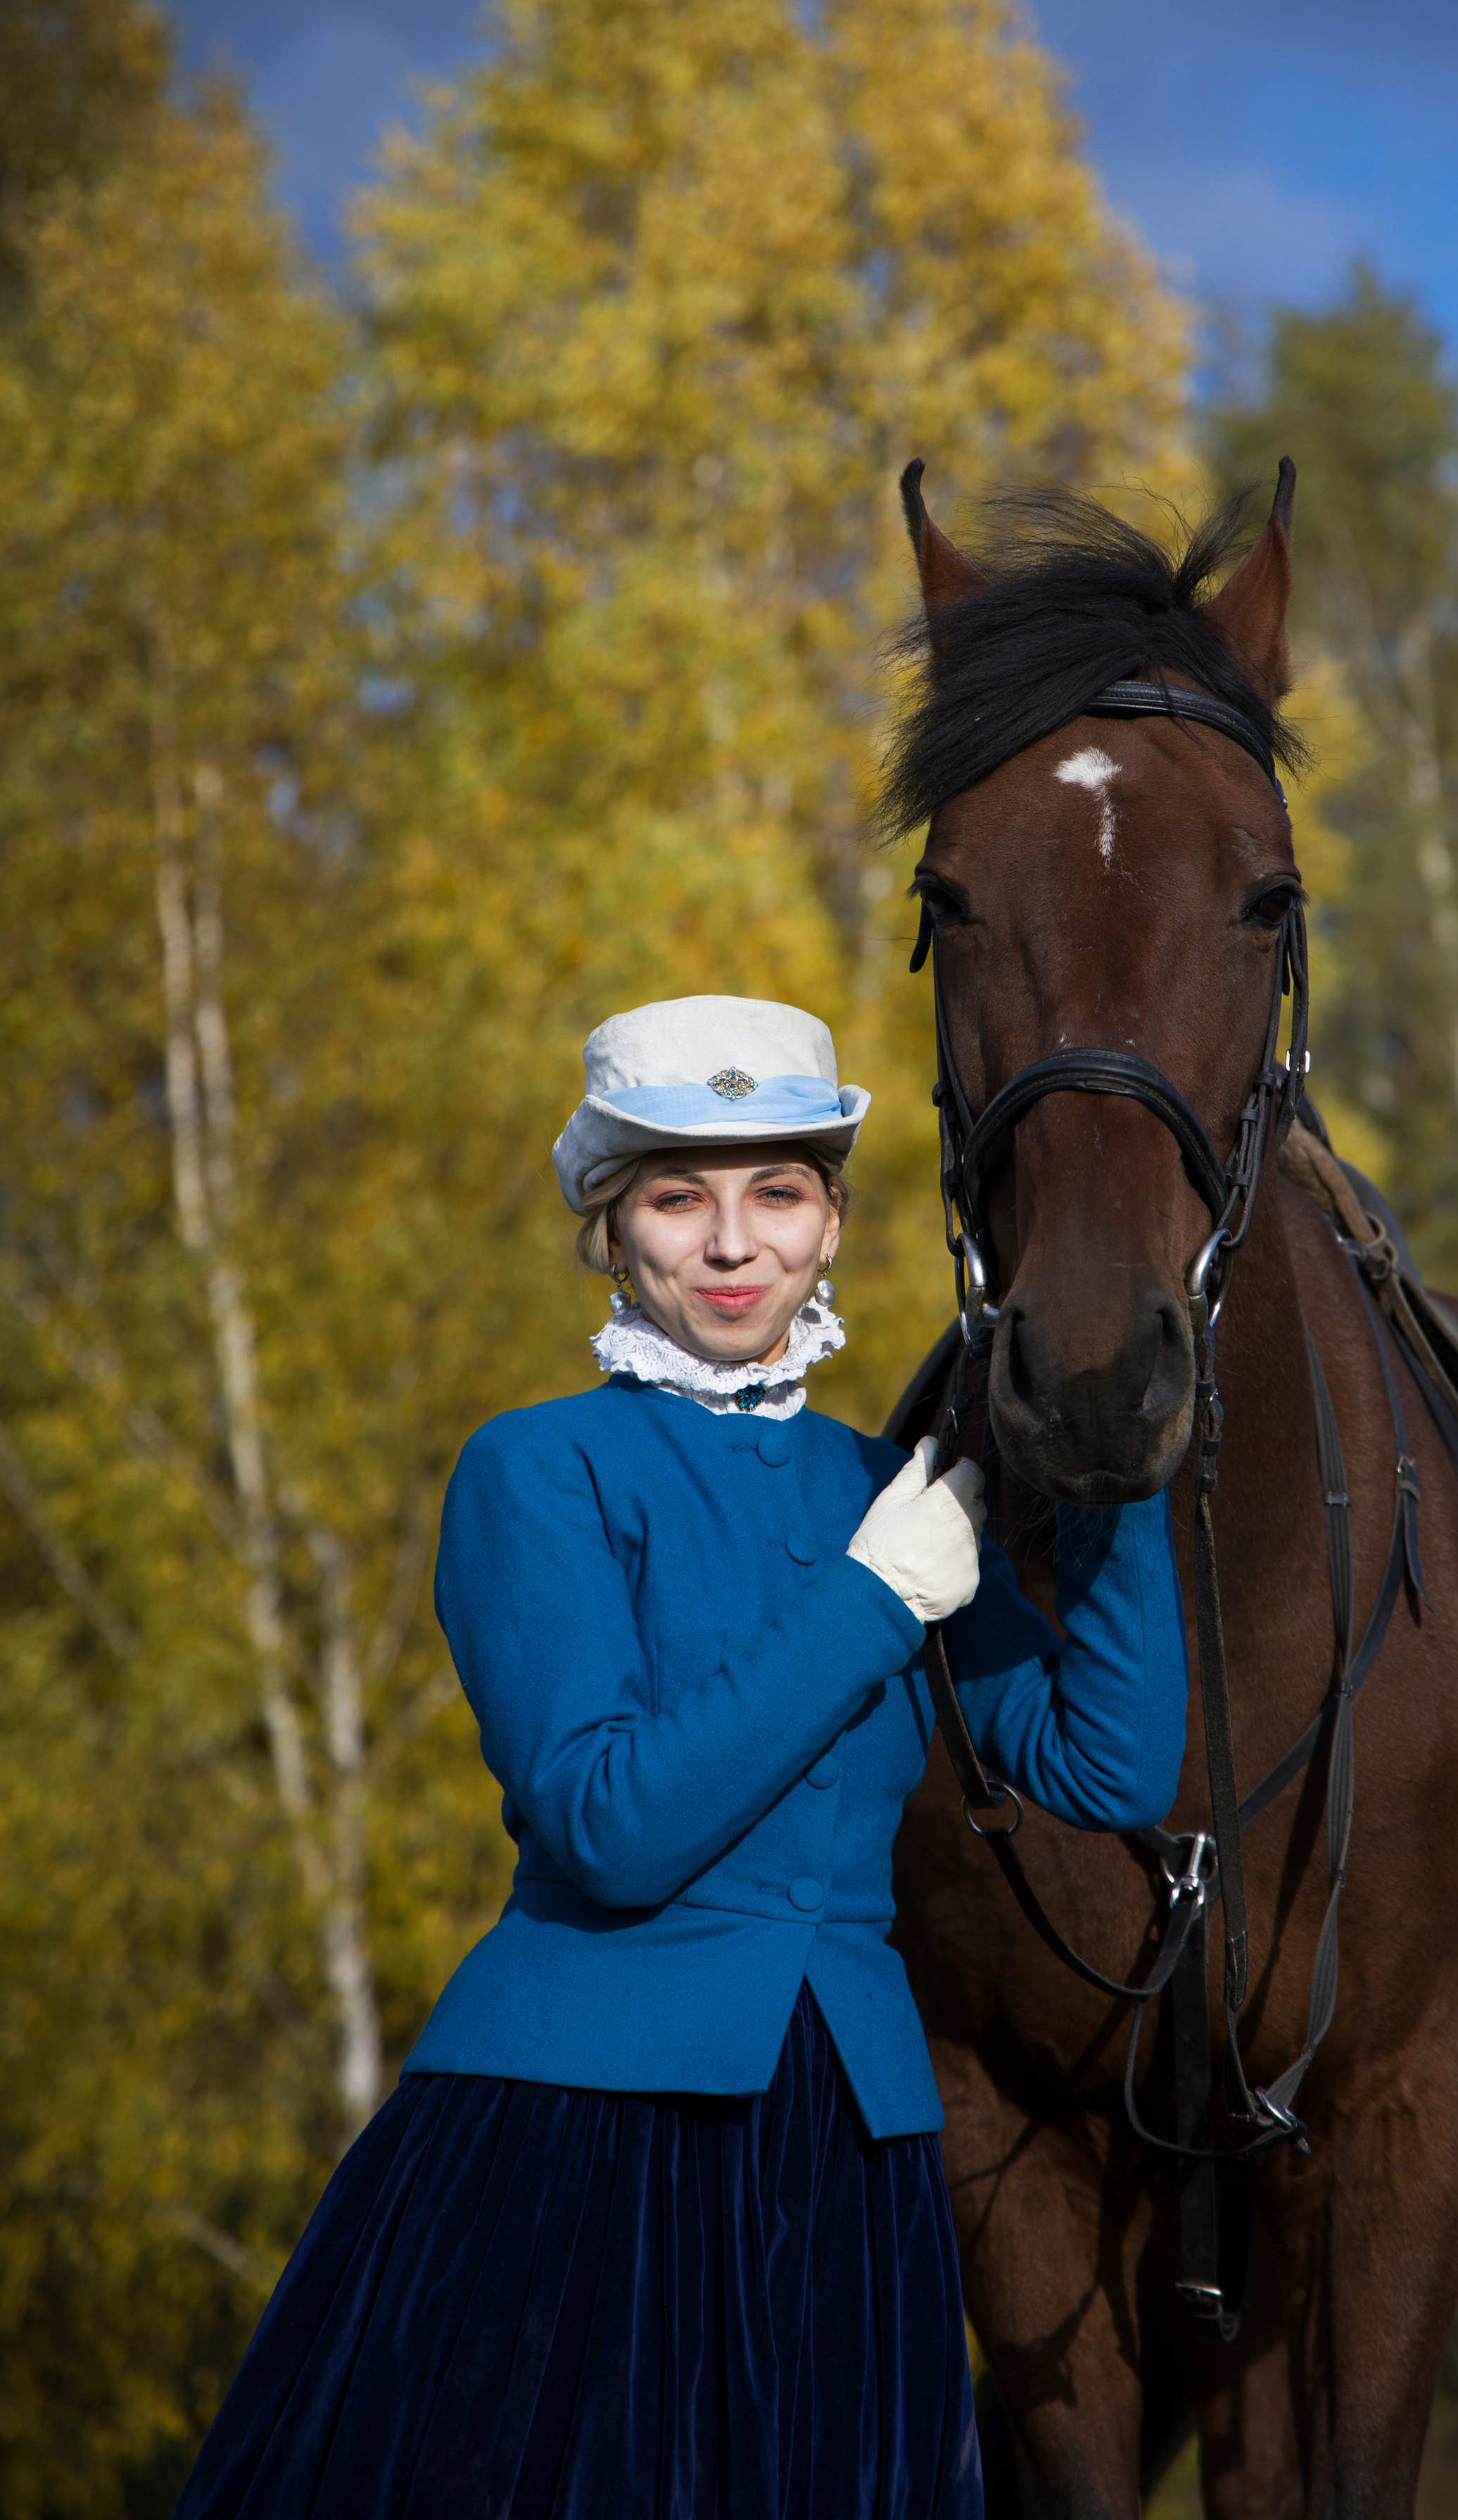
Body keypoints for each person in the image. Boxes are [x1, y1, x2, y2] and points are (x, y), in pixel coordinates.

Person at [174, 995, 1188, 2520]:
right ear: (610, 1231)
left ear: (831, 1227)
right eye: (675, 1198)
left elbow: (1108, 1767)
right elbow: (610, 1824)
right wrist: (871, 1599)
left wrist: (1117, 1455)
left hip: (851, 2150)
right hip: (580, 2134)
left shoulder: (887, 1485)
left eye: (776, 1194)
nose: (731, 1244)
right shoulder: (536, 1469)